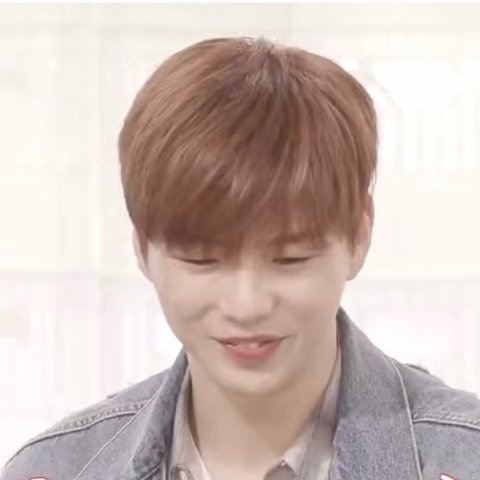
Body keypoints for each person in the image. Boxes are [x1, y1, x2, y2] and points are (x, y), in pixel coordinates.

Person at [2, 37, 479, 480]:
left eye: (290, 259)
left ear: (359, 235)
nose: (247, 305)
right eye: (202, 260)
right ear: (142, 247)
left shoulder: (461, 458)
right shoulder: (56, 469)